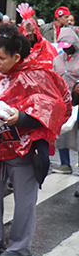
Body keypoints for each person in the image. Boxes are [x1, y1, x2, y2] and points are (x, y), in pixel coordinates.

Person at [0, 23, 71, 256]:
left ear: (16, 57)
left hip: (24, 150)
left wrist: (22, 117)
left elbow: (56, 108)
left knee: (24, 200)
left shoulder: (36, 75)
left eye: (2, 58)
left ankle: (20, 247)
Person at [53, 27, 79, 173]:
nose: (66, 49)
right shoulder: (57, 60)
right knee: (62, 131)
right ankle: (65, 164)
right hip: (63, 102)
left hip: (78, 102)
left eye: (68, 46)